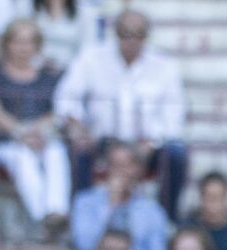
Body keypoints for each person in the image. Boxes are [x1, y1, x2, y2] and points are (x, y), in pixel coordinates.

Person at [54, 7, 187, 214]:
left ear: (146, 36)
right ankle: (81, 216)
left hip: (147, 145)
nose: (132, 40)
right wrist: (79, 126)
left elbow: (174, 114)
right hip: (102, 142)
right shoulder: (92, 58)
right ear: (115, 34)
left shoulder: (164, 66)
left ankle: (167, 220)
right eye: (126, 34)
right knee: (78, 148)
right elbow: (65, 97)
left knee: (176, 154)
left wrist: (151, 143)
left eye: (138, 34)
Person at [0, 17, 71, 234]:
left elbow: (56, 111)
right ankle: (42, 220)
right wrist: (22, 133)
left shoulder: (49, 76)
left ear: (37, 46)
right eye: (18, 41)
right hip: (9, 141)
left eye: (29, 42)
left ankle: (56, 212)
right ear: (7, 44)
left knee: (56, 153)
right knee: (24, 159)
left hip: (42, 138)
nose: (23, 48)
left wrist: (37, 132)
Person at [66, 138, 171, 250]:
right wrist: (109, 207)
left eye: (127, 166)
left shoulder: (152, 211)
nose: (121, 172)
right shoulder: (85, 202)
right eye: (115, 166)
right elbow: (84, 246)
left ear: (138, 170)